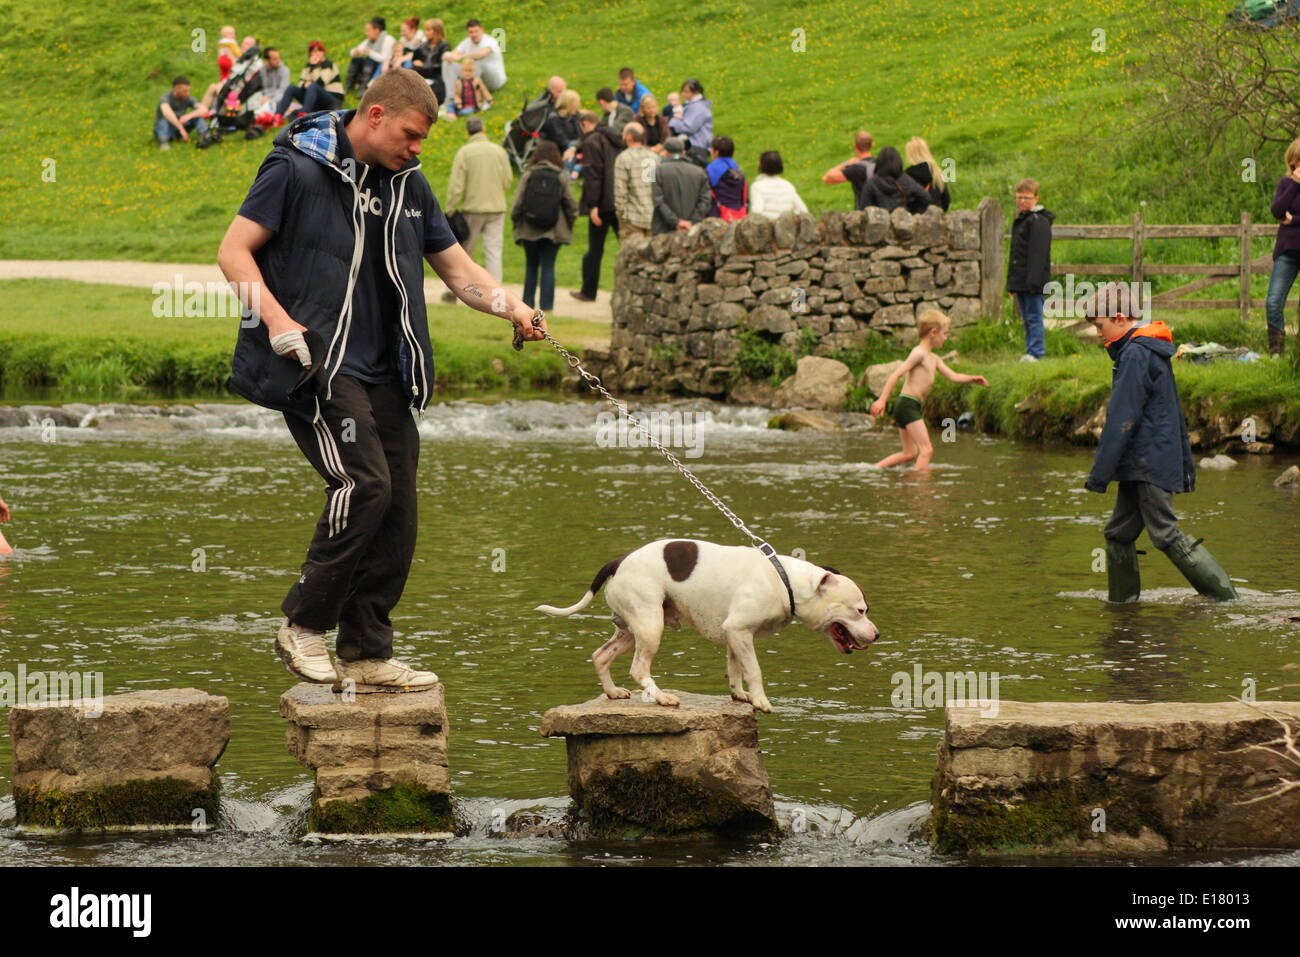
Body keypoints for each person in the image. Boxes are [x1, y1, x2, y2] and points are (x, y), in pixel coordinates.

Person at [217, 69, 548, 690]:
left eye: (423, 139)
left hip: (387, 373)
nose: (418, 147)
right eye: (411, 134)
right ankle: (303, 625)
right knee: (363, 484)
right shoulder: (295, 169)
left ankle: (367, 654)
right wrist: (281, 323)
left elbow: (459, 270)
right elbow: (233, 251)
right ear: (373, 116)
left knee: (397, 507)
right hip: (317, 363)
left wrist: (511, 306)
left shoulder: (411, 188)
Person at [1081, 283, 1237, 602]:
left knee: (1164, 533)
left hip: (1146, 461)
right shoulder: (1142, 348)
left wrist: (1099, 475)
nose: (1097, 333)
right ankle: (1122, 607)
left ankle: (1226, 599)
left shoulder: (1136, 353)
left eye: (1100, 325)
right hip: (1144, 459)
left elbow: (1123, 418)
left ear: (1121, 318)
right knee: (1118, 534)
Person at [869, 310, 988, 470]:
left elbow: (953, 376)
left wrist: (973, 378)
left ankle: (872, 470)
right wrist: (882, 399)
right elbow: (896, 374)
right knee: (927, 450)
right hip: (907, 404)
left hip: (909, 405)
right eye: (945, 333)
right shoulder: (919, 353)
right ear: (933, 332)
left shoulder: (934, 359)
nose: (946, 338)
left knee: (909, 453)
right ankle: (921, 488)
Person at [511, 139, 577, 312]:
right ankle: (547, 308)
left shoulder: (529, 174)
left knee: (531, 266)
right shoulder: (560, 175)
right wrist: (570, 222)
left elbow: (517, 202)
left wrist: (516, 221)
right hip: (553, 230)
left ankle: (527, 305)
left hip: (529, 229)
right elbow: (570, 202)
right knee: (548, 266)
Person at [446, 115, 513, 283]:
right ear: (483, 129)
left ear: (468, 132)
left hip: (472, 208)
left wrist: (451, 209)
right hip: (497, 208)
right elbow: (508, 180)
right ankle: (496, 291)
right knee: (494, 252)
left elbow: (456, 186)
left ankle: (458, 289)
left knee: (465, 252)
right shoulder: (499, 151)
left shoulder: (464, 152)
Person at [572, 110, 619, 302]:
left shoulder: (591, 142)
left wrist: (592, 206)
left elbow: (593, 176)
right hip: (618, 201)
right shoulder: (614, 139)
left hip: (601, 204)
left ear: (585, 124)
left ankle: (589, 291)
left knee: (595, 250)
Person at [1006, 177, 1053, 362]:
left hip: (1033, 281)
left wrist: (1034, 283)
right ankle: (1030, 350)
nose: (1022, 201)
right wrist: (1012, 284)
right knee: (1026, 318)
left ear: (1036, 198)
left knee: (1034, 317)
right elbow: (1016, 256)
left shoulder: (1038, 221)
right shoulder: (1022, 220)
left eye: (1026, 197)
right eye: (1018, 198)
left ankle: (1036, 352)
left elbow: (1038, 255)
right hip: (1021, 280)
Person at [1266, 136, 1300, 356]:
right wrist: (1295, 185)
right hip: (1287, 252)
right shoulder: (1285, 184)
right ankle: (1276, 353)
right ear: (1292, 162)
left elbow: (1288, 217)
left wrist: (1294, 220)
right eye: (1298, 161)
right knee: (1273, 302)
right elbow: (1277, 211)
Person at [441, 18, 507, 107]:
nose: (474, 34)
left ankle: (475, 99)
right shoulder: (466, 42)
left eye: (476, 31)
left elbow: (480, 54)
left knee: (477, 63)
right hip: (474, 79)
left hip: (494, 80)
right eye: (471, 32)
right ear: (467, 33)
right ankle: (451, 99)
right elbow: (454, 54)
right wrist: (447, 56)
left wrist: (460, 57)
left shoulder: (490, 41)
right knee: (447, 64)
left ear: (482, 30)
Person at [652, 135, 711, 234]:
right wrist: (692, 222)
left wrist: (676, 222)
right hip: (693, 232)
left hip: (664, 233)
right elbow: (706, 200)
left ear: (665, 152)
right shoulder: (699, 172)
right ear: (683, 152)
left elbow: (658, 201)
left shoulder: (657, 172)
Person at [275, 41, 344, 122]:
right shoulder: (308, 66)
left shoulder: (328, 64)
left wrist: (313, 66)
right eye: (314, 51)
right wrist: (305, 84)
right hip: (316, 99)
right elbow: (301, 82)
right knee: (291, 88)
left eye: (319, 50)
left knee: (313, 86)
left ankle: (304, 113)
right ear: (310, 53)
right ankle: (278, 116)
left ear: (323, 52)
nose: (316, 53)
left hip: (332, 99)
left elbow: (320, 83)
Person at [613, 121, 658, 239]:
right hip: (652, 214)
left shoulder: (623, 158)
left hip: (632, 217)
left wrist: (621, 214)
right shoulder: (653, 156)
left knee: (632, 255)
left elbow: (620, 190)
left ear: (629, 137)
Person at [856, 145, 931, 215]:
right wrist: (911, 210)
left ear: (879, 162)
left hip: (879, 223)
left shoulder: (871, 183)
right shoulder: (904, 179)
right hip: (903, 221)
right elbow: (925, 197)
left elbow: (864, 208)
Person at [154, 76, 209, 150]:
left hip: (180, 127)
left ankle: (205, 136)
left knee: (197, 116)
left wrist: (188, 116)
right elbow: (167, 114)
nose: (187, 93)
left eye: (188, 91)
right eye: (185, 91)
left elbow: (204, 109)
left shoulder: (187, 98)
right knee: (163, 119)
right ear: (176, 88)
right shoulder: (165, 98)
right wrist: (181, 129)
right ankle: (164, 143)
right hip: (167, 129)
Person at [822, 130, 875, 207]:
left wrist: (846, 164)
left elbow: (827, 178)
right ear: (872, 145)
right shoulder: (881, 163)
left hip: (863, 211)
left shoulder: (855, 168)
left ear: (855, 146)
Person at [749, 150, 807, 219]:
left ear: (761, 166)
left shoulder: (757, 187)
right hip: (786, 226)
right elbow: (803, 210)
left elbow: (757, 212)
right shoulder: (788, 185)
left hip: (767, 227)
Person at [668, 78, 713, 165]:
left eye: (686, 92)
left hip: (697, 148)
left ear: (695, 92)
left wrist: (674, 121)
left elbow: (688, 128)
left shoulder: (698, 107)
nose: (683, 94)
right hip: (696, 147)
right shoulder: (694, 105)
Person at [345, 17, 394, 96]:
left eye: (368, 31)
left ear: (376, 30)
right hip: (370, 65)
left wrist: (370, 52)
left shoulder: (388, 39)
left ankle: (364, 88)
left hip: (381, 67)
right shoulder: (368, 41)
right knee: (355, 60)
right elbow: (354, 51)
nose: (366, 33)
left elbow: (385, 58)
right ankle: (348, 86)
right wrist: (355, 52)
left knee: (369, 61)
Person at [410, 18, 452, 107]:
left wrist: (424, 66)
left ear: (437, 31)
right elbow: (415, 60)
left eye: (429, 30)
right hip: (423, 73)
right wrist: (416, 50)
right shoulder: (423, 45)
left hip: (437, 75)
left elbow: (441, 66)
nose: (426, 32)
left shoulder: (444, 46)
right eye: (425, 30)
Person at [706, 136, 747, 220]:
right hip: (739, 215)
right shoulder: (738, 170)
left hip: (717, 216)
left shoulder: (710, 170)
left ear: (716, 152)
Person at [904, 137, 950, 211]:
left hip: (916, 219)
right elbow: (946, 200)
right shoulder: (937, 172)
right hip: (936, 216)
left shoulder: (906, 176)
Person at [258, 48, 290, 112]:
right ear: (267, 60)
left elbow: (283, 90)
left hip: (277, 99)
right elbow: (258, 88)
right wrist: (262, 97)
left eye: (278, 58)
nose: (278, 60)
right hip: (263, 98)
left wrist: (270, 101)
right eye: (274, 59)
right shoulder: (261, 70)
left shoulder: (284, 70)